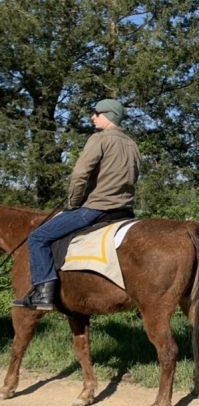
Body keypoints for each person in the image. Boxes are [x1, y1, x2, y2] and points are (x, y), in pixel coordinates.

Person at [12, 99, 141, 311]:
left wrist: (74, 202)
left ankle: (43, 293)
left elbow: (80, 173)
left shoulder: (99, 139)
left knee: (37, 237)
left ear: (107, 115)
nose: (92, 117)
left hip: (97, 209)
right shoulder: (132, 144)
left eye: (96, 113)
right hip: (124, 211)